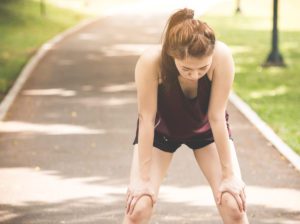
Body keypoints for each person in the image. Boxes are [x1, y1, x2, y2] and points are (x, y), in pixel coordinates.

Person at [122, 8, 249, 224]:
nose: (195, 75)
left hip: (206, 130)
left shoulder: (222, 56)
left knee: (233, 203)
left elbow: (217, 116)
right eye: (187, 69)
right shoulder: (151, 62)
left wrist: (229, 177)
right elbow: (146, 119)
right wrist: (142, 180)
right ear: (173, 57)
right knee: (139, 207)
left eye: (202, 68)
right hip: (160, 133)